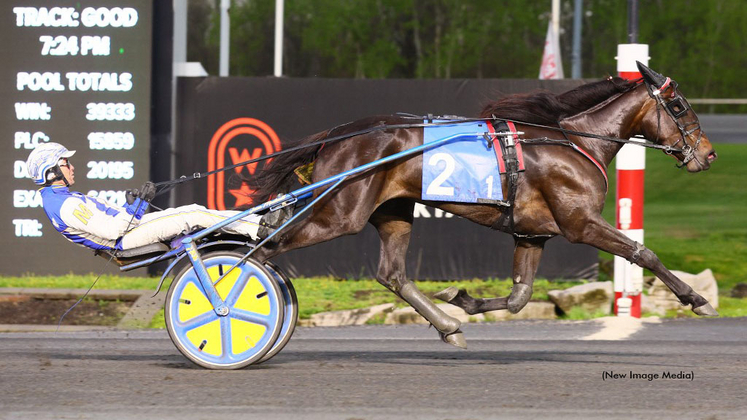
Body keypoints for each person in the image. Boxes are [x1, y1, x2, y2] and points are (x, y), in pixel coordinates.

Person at [26, 142, 287, 252]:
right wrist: (137, 205)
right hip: (125, 240)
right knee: (194, 214)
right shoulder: (65, 204)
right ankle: (260, 228)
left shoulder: (61, 199)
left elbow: (112, 220)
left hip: (128, 232)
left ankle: (258, 220)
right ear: (51, 172)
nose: (71, 167)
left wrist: (131, 204)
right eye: (65, 163)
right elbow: (111, 231)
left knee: (195, 210)